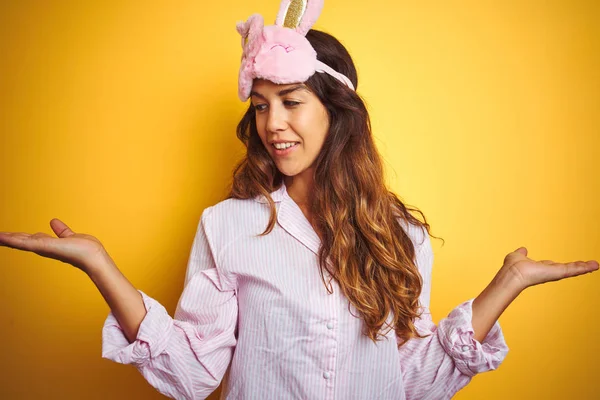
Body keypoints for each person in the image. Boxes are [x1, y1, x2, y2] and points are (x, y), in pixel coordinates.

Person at [0, 1, 597, 399]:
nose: (272, 123)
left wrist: (507, 284)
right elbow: (190, 375)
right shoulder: (227, 225)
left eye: (290, 101)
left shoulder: (401, 237)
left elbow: (408, 383)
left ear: (335, 114)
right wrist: (99, 265)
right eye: (260, 105)